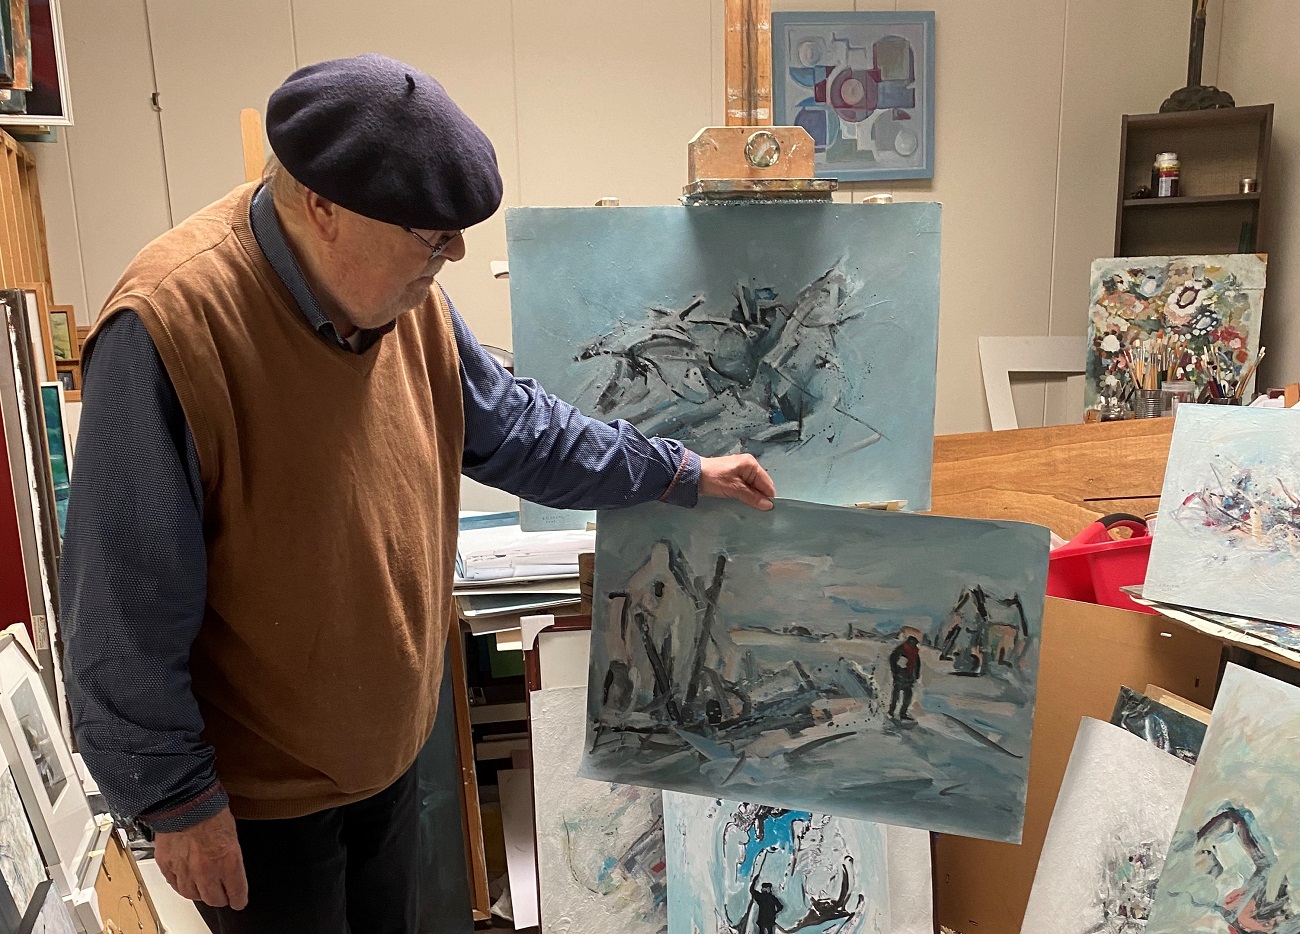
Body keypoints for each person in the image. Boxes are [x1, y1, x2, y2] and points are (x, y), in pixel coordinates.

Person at [59, 54, 775, 934]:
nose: (455, 254)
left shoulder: (405, 301)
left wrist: (678, 472)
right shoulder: (171, 327)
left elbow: (519, 429)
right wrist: (175, 801)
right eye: (432, 235)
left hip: (385, 763)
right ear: (322, 206)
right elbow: (118, 613)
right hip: (262, 808)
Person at [888, 634, 922, 720]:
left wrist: (916, 674)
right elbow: (892, 659)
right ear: (909, 642)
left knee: (908, 696)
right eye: (913, 643)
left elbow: (917, 664)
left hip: (909, 678)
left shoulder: (915, 652)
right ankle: (891, 711)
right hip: (900, 676)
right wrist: (895, 671)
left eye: (915, 644)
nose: (915, 645)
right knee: (896, 695)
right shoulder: (900, 650)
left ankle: (903, 713)